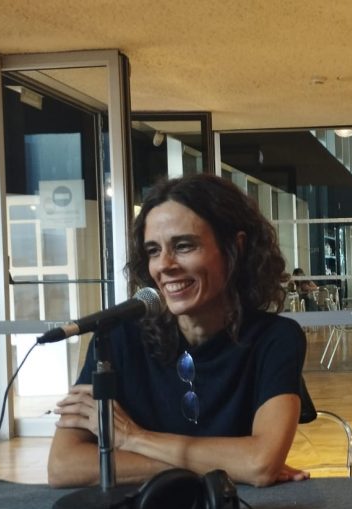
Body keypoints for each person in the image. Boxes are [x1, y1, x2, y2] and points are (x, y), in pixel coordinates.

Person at [48, 174, 310, 488]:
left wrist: (133, 437)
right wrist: (221, 466)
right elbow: (63, 466)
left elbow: (259, 463)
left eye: (183, 246)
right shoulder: (117, 339)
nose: (164, 265)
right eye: (153, 251)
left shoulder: (276, 339)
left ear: (235, 248)